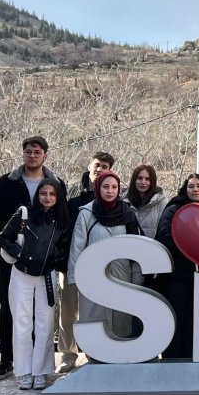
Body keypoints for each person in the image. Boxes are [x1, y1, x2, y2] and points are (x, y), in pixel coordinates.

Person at [0, 135, 61, 381]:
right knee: (10, 308)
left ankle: (37, 367)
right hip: (13, 258)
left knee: (41, 314)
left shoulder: (56, 184)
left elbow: (64, 220)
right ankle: (8, 360)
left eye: (37, 152)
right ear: (23, 154)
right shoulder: (7, 183)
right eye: (28, 152)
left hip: (44, 261)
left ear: (46, 155)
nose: (32, 155)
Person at [0, 177, 71, 390]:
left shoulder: (62, 221)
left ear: (58, 197)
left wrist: (54, 259)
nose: (47, 197)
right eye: (43, 193)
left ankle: (41, 371)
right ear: (37, 195)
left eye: (52, 194)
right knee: (22, 324)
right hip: (21, 274)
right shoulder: (24, 214)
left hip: (46, 276)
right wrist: (20, 254)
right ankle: (24, 371)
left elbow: (64, 248)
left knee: (45, 325)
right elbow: (3, 238)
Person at [67, 170, 144, 347]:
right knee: (95, 318)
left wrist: (137, 277)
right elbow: (77, 247)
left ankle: (119, 358)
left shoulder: (128, 214)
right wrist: (74, 277)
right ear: (98, 188)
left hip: (122, 276)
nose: (110, 191)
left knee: (121, 319)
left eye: (114, 187)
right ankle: (95, 356)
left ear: (119, 190)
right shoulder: (86, 214)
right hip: (93, 278)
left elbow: (136, 249)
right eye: (105, 186)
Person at [60, 151, 114, 373]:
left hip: (100, 267)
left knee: (96, 310)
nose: (99, 169)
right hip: (70, 262)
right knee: (69, 310)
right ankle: (68, 354)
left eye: (104, 165)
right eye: (96, 165)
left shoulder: (114, 193)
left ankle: (95, 350)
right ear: (89, 166)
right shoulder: (72, 192)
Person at [155, 173, 199, 359]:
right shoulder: (173, 209)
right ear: (185, 189)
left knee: (197, 320)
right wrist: (191, 247)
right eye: (191, 186)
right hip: (178, 276)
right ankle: (173, 357)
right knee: (176, 318)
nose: (195, 189)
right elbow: (165, 235)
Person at [128, 164, 168, 248]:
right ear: (134, 180)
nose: (143, 182)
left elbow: (164, 231)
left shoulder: (161, 201)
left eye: (147, 179)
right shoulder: (124, 201)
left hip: (152, 250)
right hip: (128, 250)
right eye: (139, 178)